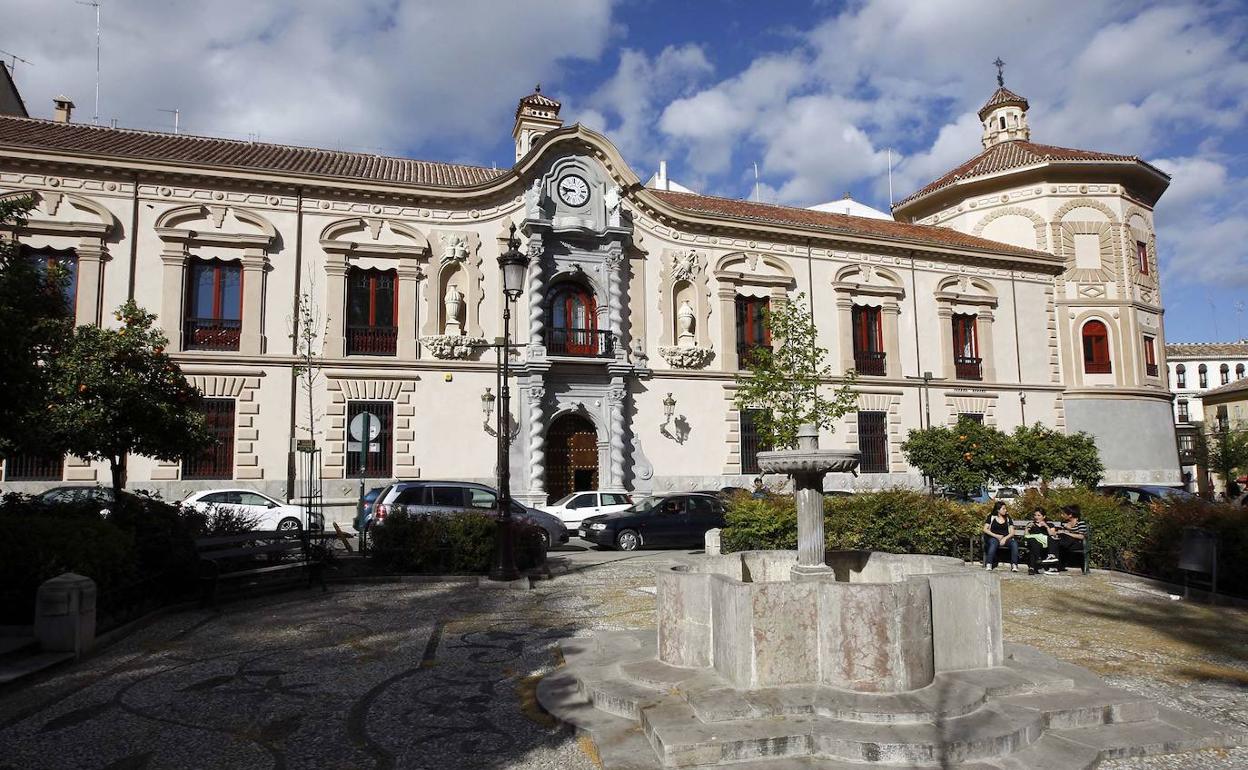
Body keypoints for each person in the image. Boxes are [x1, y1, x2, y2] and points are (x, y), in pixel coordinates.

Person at [982, 500, 1018, 572]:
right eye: (1003, 509)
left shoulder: (1008, 518)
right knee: (993, 543)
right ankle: (989, 563)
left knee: (1014, 544)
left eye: (1005, 508)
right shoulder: (991, 517)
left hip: (1005, 538)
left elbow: (1012, 532)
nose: (1005, 510)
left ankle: (1014, 564)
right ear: (998, 510)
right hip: (993, 537)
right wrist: (996, 536)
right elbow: (985, 529)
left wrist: (1004, 538)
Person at [1022, 508, 1060, 574]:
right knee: (1033, 541)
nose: (1036, 517)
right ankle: (1037, 561)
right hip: (1034, 543)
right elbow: (1026, 536)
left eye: (1039, 515)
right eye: (1035, 515)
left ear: (1044, 516)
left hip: (1047, 544)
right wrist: (1027, 528)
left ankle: (1033, 567)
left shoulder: (1050, 524)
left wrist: (1046, 526)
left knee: (1034, 545)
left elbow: (1052, 535)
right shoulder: (1031, 524)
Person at [1053, 505, 1088, 572]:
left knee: (1061, 540)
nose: (1062, 515)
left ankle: (1054, 560)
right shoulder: (1064, 523)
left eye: (1064, 514)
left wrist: (1068, 532)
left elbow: (1081, 536)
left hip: (1077, 544)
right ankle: (1056, 563)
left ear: (1070, 515)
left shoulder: (1080, 523)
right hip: (1066, 543)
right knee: (1060, 539)